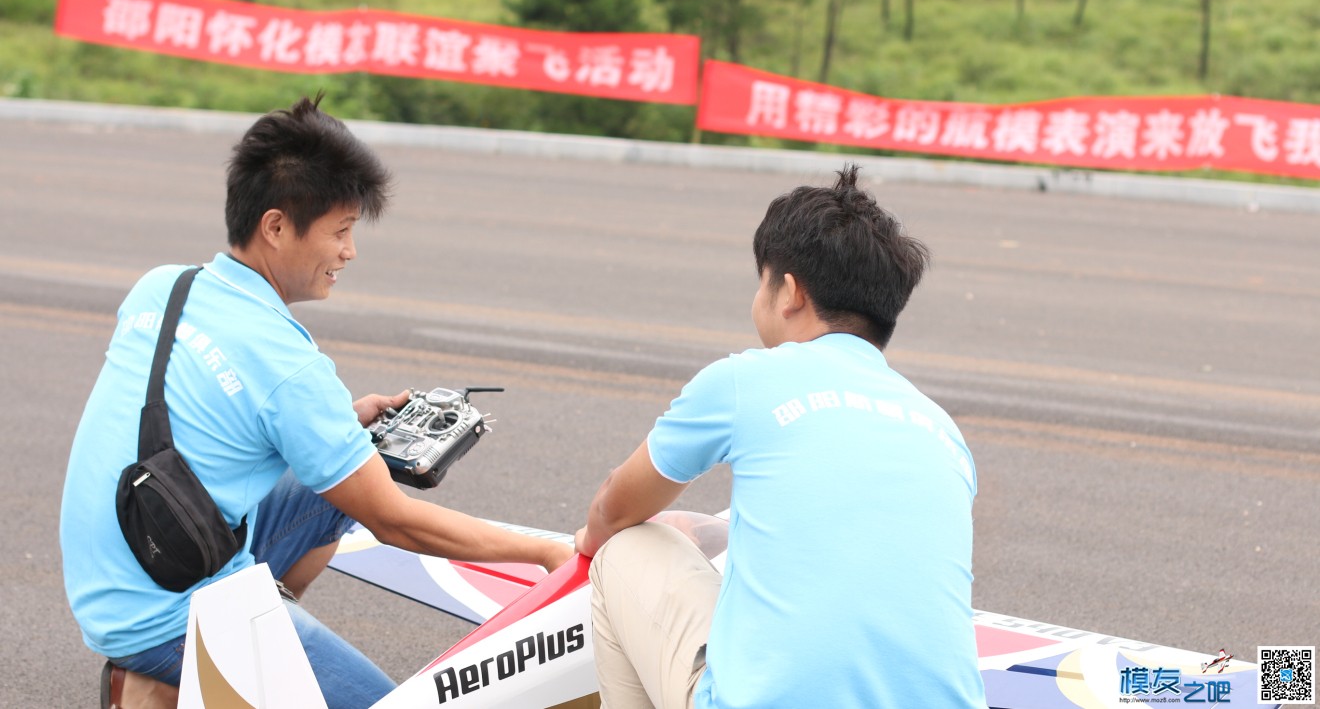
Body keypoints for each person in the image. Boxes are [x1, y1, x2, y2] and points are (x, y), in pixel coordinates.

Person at [59, 95, 573, 709]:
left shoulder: (164, 285)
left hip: (116, 568)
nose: (349, 252)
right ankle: (216, 667)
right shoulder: (287, 363)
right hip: (164, 611)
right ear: (276, 226)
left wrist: (338, 427)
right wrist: (548, 552)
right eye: (342, 231)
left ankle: (224, 667)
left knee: (341, 486)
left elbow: (204, 413)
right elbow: (396, 522)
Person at [575, 165, 987, 709]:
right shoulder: (941, 428)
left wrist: (585, 548)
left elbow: (614, 508)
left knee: (622, 551)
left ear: (789, 291)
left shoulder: (745, 380)